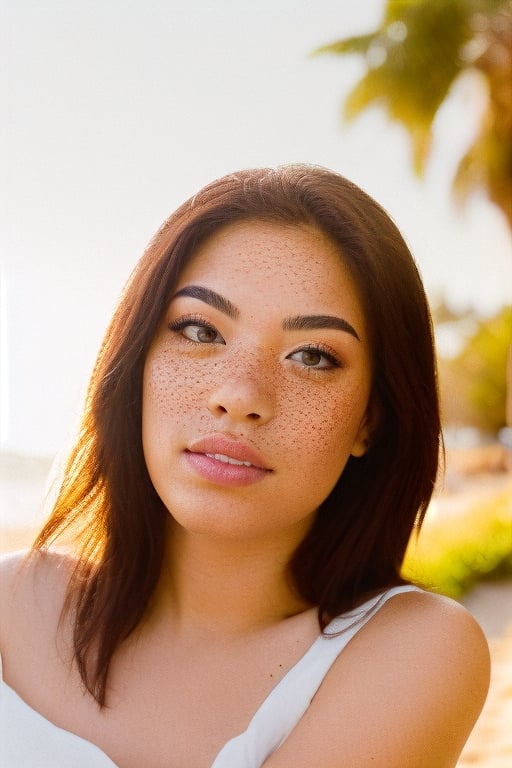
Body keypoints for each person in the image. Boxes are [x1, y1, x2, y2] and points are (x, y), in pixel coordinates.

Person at [0, 165, 489, 767]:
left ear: (371, 420)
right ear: (138, 361)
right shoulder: (10, 602)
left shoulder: (412, 650)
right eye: (200, 330)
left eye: (312, 356)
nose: (241, 395)